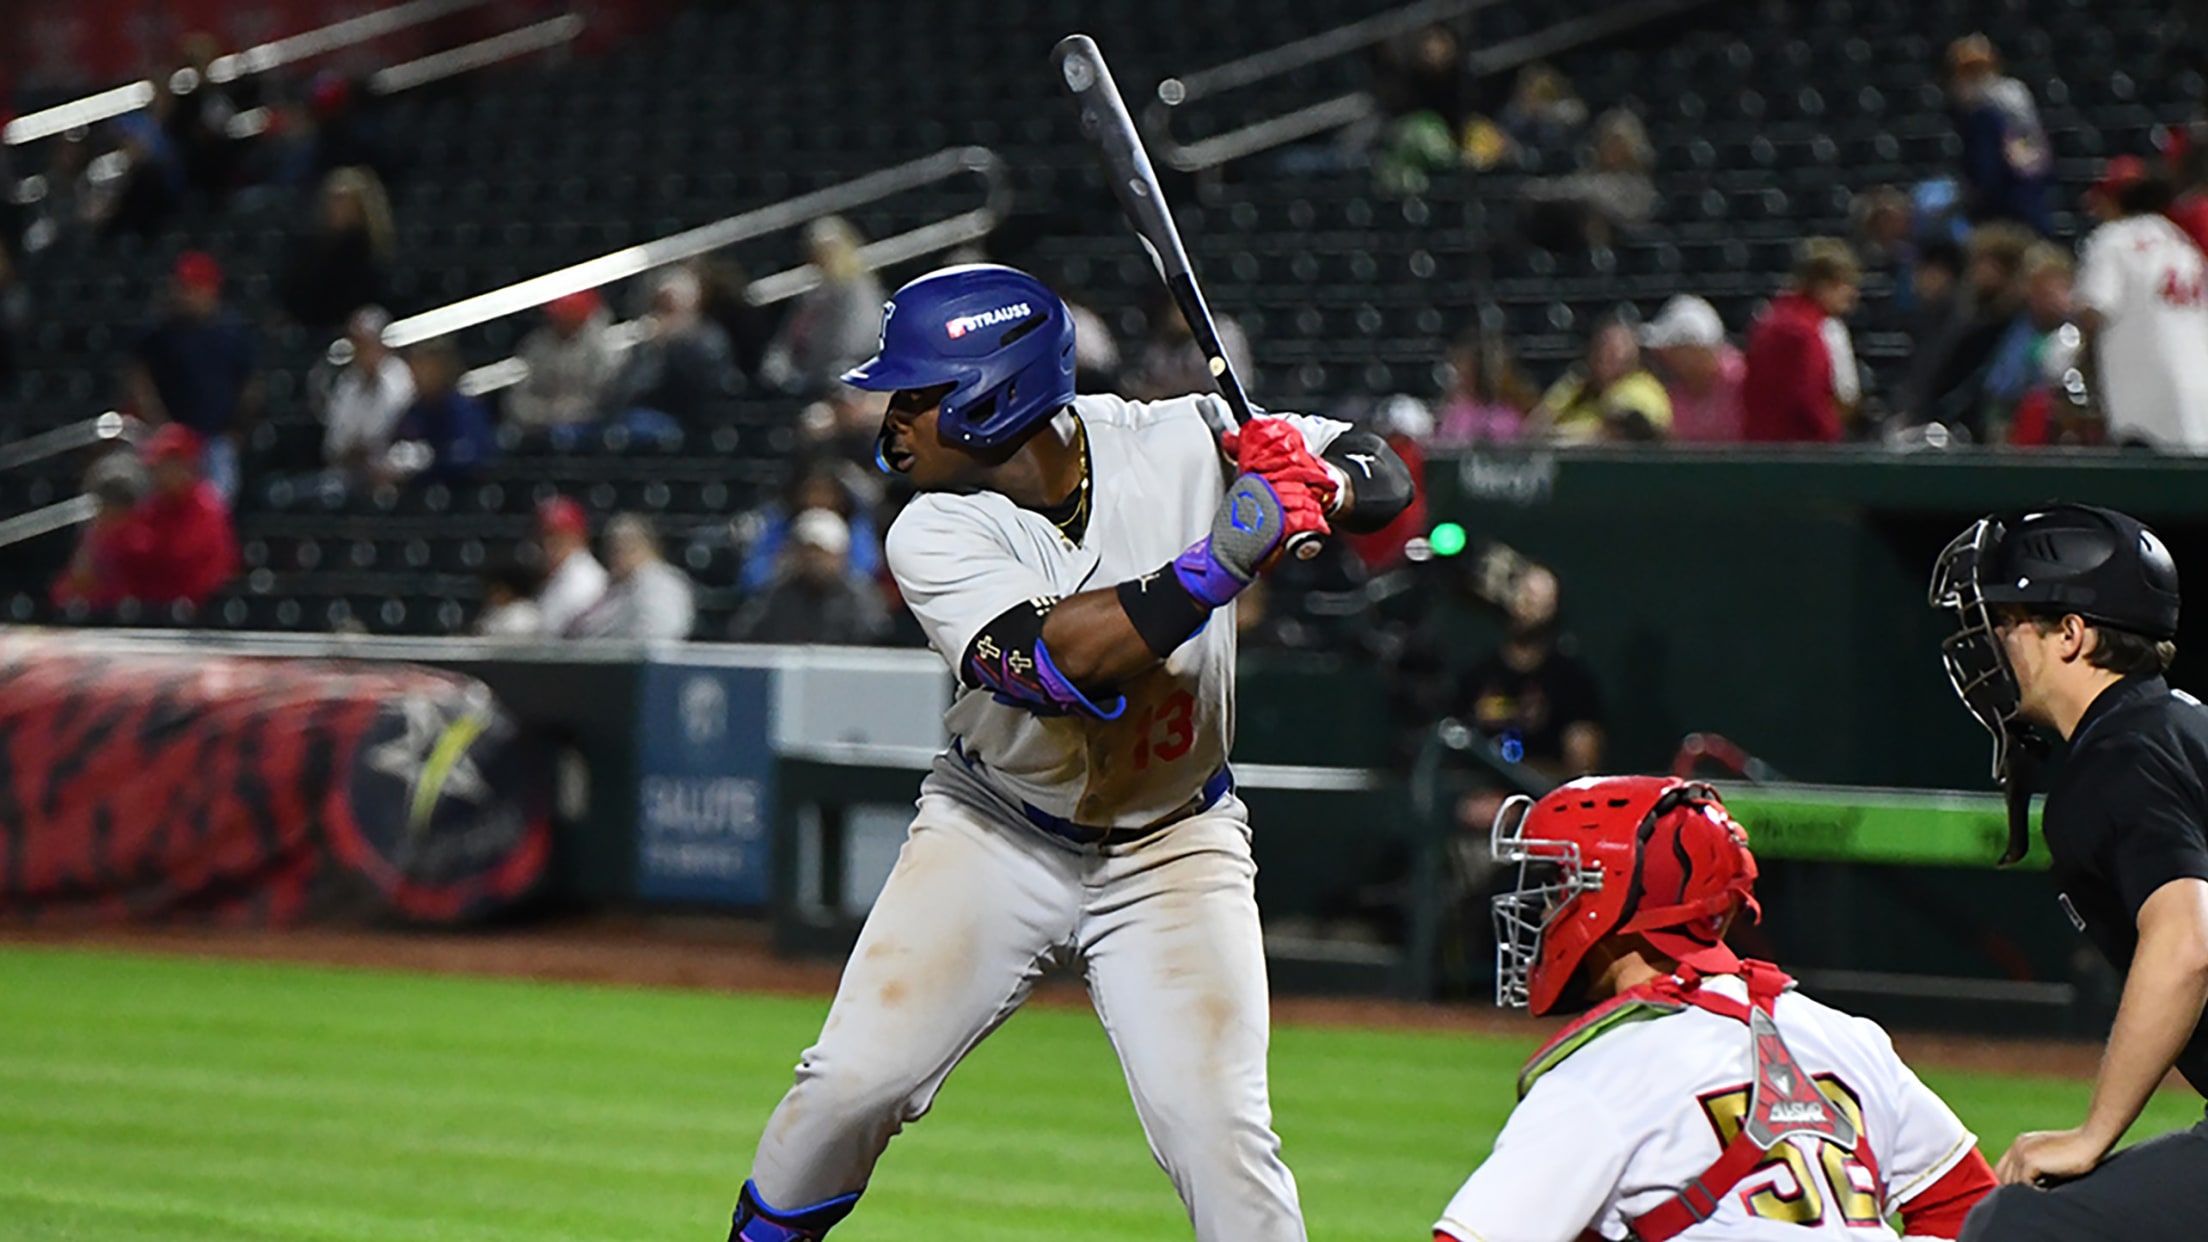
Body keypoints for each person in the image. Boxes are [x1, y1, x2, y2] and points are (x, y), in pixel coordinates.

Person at [721, 263, 1413, 1242]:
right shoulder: (932, 528)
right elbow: (1056, 662)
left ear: (990, 396)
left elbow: (1390, 473)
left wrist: (1321, 481)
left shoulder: (1179, 437)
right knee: (847, 1089)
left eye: (914, 397)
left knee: (1222, 1134)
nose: (891, 424)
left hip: (1175, 847)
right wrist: (1221, 559)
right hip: (995, 834)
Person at [1434, 776, 1997, 1241]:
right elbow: (1966, 1206)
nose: (1544, 908)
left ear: (1608, 900)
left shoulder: (1602, 1075)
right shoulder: (1847, 1038)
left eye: (1560, 884)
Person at [1928, 505, 2208, 1240]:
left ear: (2072, 635)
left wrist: (2093, 1133)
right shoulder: (2179, 729)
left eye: (2011, 620)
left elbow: (2186, 942)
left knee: (2016, 1224)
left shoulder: (2118, 758)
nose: (1993, 639)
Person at [2073, 166, 2208, 452]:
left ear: (2115, 200)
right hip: (2199, 387)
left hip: (2145, 395)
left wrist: (2078, 365)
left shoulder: (2113, 240)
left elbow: (2094, 312)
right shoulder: (2182, 243)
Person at [52, 425, 237, 612]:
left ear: (187, 465)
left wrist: (133, 545)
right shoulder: (154, 506)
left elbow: (176, 559)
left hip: (192, 608)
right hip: (145, 605)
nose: (159, 473)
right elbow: (115, 550)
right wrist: (101, 532)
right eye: (157, 466)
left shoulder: (206, 508)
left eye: (167, 464)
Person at [124, 251, 259, 501]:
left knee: (215, 504)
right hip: (170, 441)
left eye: (194, 288)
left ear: (211, 290)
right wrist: (158, 422)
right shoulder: (161, 330)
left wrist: (237, 429)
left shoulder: (233, 331)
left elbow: (249, 384)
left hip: (215, 441)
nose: (185, 294)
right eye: (183, 287)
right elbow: (139, 377)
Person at [1741, 239, 1863, 443]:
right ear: (1822, 286)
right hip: (1806, 446)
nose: (1852, 294)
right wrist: (1832, 435)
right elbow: (1812, 398)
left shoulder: (1766, 321)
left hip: (1758, 443)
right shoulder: (1821, 330)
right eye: (1845, 284)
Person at [759, 216, 885, 395]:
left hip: (844, 371)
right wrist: (778, 366)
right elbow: (787, 340)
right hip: (805, 375)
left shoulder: (859, 289)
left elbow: (855, 341)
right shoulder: (811, 294)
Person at [729, 508, 891, 645]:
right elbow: (743, 633)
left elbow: (876, 637)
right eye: (806, 551)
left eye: (821, 552)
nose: (813, 559)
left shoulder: (861, 597)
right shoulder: (776, 595)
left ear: (839, 556)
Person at [604, 267, 736, 436]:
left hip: (685, 416)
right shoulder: (648, 340)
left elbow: (704, 385)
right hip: (642, 412)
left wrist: (674, 345)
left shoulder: (708, 338)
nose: (661, 315)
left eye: (669, 307)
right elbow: (630, 386)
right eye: (659, 306)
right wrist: (652, 348)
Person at [1947, 34, 2053, 234]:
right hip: (1997, 191)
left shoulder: (2007, 96)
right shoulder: (1971, 104)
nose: (1975, 74)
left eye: (1979, 66)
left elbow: (2030, 146)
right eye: (1968, 68)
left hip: (2015, 189)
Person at [1518, 108, 1657, 251]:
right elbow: (1566, 188)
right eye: (1606, 140)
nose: (1610, 147)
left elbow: (1628, 214)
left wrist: (1590, 198)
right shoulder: (1592, 175)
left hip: (1618, 247)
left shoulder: (1637, 183)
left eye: (1617, 141)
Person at [738, 461, 882, 595]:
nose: (819, 497)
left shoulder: (855, 523)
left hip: (842, 600)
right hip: (786, 599)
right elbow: (752, 577)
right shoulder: (780, 522)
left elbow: (867, 571)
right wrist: (789, 564)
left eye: (827, 491)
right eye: (812, 490)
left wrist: (829, 566)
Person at [279, 166, 393, 331]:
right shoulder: (310, 249)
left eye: (343, 201)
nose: (336, 208)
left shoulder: (371, 253)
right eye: (332, 200)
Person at [316, 305, 415, 494]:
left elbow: (394, 432)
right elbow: (334, 445)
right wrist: (356, 449)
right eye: (357, 343)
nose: (361, 349)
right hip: (348, 474)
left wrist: (364, 446)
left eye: (366, 342)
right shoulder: (348, 383)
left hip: (390, 473)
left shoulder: (400, 377)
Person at [1525, 316, 1672, 442]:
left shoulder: (1640, 388)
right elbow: (1533, 427)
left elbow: (1617, 432)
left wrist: (1560, 437)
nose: (1607, 361)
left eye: (1615, 355)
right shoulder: (1577, 386)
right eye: (1602, 352)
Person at [506, 288, 619, 437]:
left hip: (589, 425)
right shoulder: (536, 347)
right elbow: (516, 400)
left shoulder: (600, 346)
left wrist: (575, 410)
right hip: (541, 426)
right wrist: (546, 412)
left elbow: (605, 395)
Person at [565, 513, 696, 640]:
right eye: (611, 549)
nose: (613, 558)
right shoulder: (619, 585)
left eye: (619, 549)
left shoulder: (660, 583)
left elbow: (657, 633)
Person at [1641, 294, 1746, 443]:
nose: (1664, 355)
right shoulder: (1668, 389)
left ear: (1696, 349)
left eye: (1674, 349)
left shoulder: (1742, 380)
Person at [389, 340, 495, 484]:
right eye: (415, 368)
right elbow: (397, 447)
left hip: (461, 489)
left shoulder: (464, 408)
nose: (417, 376)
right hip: (419, 490)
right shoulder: (414, 411)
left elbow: (473, 456)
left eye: (426, 368)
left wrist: (431, 460)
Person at [1431, 328, 1537, 445]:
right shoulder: (1453, 414)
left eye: (1465, 369)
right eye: (1457, 365)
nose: (1458, 374)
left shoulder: (1504, 418)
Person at [533, 497, 607, 637]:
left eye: (559, 536)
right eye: (544, 536)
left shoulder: (587, 578)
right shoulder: (559, 575)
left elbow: (554, 631)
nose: (548, 544)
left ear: (578, 536)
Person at [474, 560, 545, 638]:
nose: (493, 596)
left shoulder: (526, 615)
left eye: (498, 590)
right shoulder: (494, 610)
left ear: (510, 590)